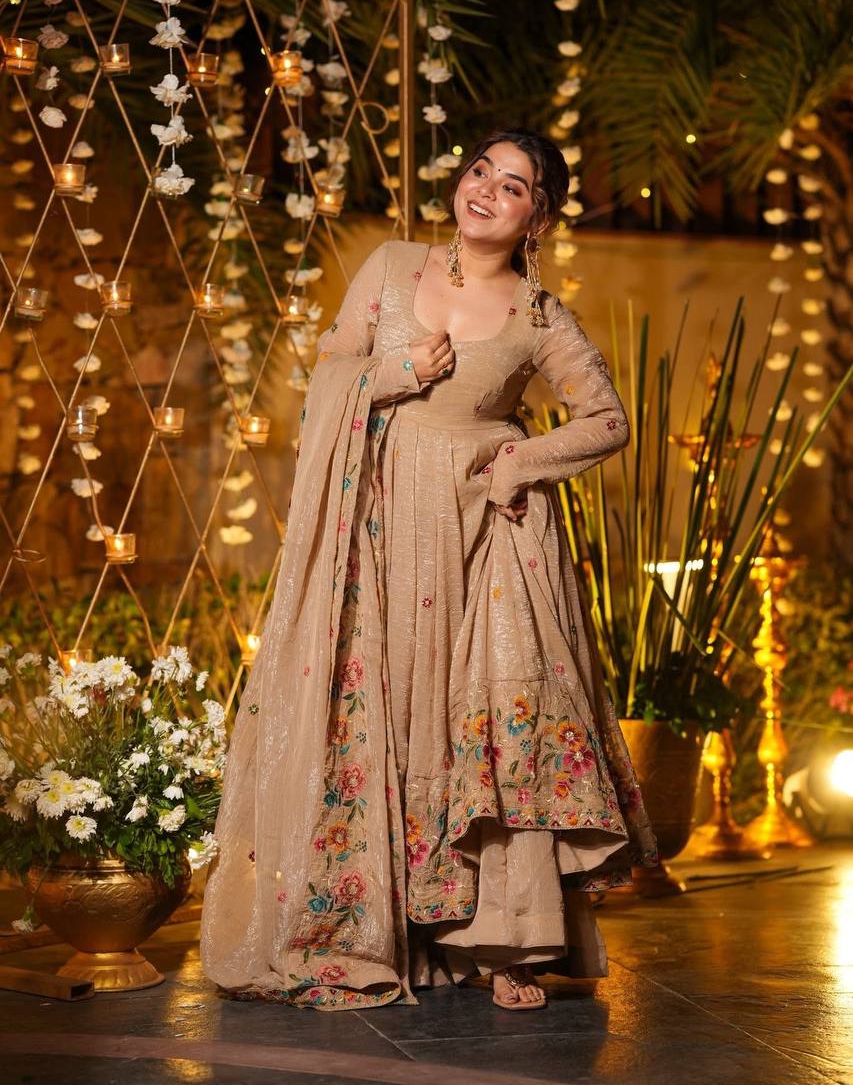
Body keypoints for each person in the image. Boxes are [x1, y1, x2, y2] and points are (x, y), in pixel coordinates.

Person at [200, 127, 658, 1012]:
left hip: (484, 537)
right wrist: (393, 371)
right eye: (481, 170)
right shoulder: (389, 265)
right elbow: (328, 372)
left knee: (485, 719)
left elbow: (606, 420)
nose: (485, 189)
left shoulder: (537, 316)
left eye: (513, 186)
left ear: (536, 218)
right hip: (374, 525)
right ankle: (375, 928)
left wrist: (518, 461)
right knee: (381, 707)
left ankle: (506, 941)